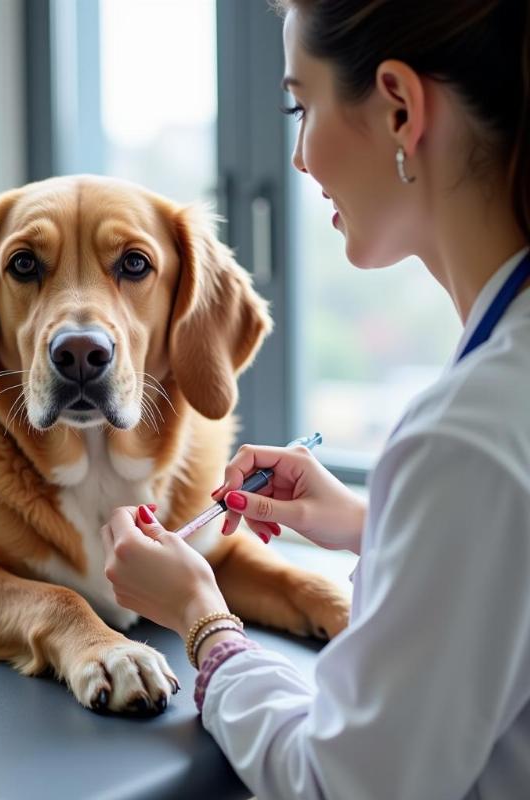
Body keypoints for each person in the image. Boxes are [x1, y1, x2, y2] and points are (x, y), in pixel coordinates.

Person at [100, 1, 530, 797]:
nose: (297, 158)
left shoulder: (465, 439)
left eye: (303, 106)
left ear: (401, 108)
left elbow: (340, 784)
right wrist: (378, 528)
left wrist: (204, 622)